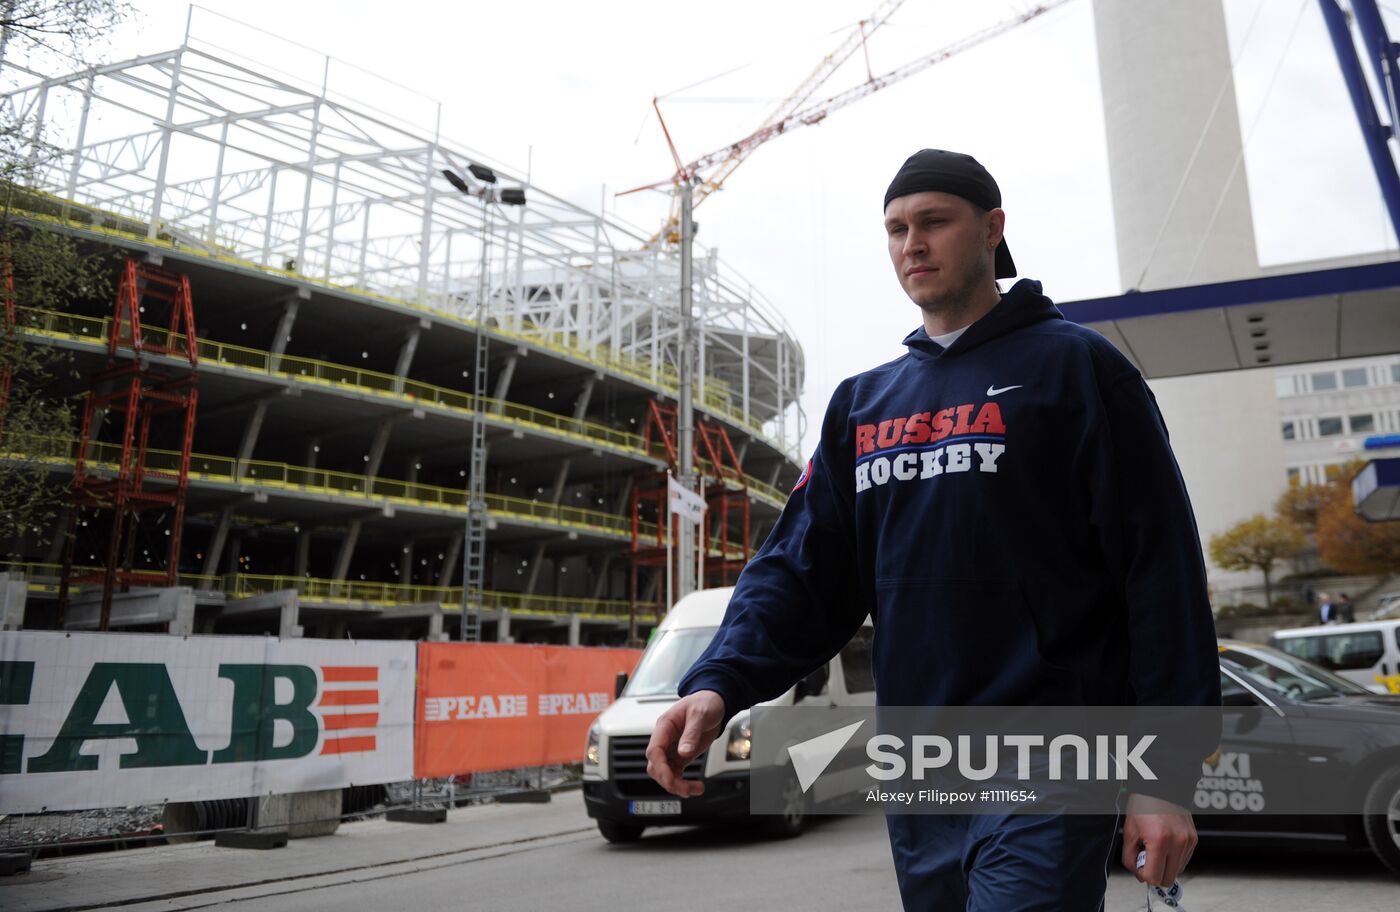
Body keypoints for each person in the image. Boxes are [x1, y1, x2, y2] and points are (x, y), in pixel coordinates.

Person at [645, 149, 1221, 910]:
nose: (910, 243)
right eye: (894, 229)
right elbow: (802, 570)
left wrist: (1164, 775)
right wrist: (719, 682)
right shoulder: (863, 405)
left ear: (992, 229)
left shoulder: (1079, 372)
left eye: (933, 222)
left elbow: (1161, 572)